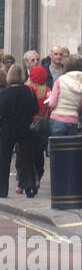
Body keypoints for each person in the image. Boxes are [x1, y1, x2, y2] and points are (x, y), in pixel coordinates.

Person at [0, 65, 39, 198]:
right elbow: (36, 109)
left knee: (4, 159)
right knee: (27, 160)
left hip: (7, 130)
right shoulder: (29, 92)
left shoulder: (4, 93)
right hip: (25, 129)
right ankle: (29, 188)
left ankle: (2, 190)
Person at [47, 56, 82, 136]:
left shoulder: (60, 80)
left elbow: (52, 104)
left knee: (57, 147)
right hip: (73, 121)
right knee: (69, 147)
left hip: (57, 119)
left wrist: (50, 96)